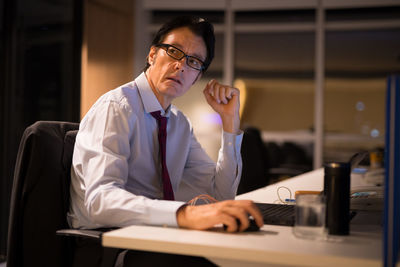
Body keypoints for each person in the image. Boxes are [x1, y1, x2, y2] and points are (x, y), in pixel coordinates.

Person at [68, 15, 262, 265]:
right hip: (107, 242)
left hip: (152, 236)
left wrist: (229, 122)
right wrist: (184, 215)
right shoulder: (116, 107)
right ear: (152, 55)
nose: (181, 66)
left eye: (193, 62)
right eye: (174, 52)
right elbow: (100, 200)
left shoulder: (179, 123)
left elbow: (221, 194)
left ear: (196, 78)